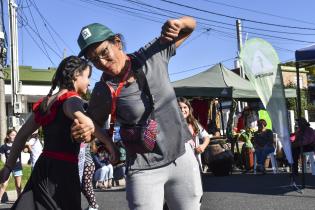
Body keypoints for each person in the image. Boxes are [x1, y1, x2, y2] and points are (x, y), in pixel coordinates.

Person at [73, 16, 202, 210]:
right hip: (143, 168)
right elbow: (92, 125)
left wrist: (179, 23)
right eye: (93, 60)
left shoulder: (151, 55)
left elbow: (190, 27)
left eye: (104, 52)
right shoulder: (102, 90)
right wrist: (106, 143)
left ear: (117, 42)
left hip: (181, 156)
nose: (101, 62)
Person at [0, 56, 117, 210]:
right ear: (76, 75)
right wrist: (109, 143)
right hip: (63, 174)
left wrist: (8, 167)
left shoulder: (46, 103)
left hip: (42, 169)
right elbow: (88, 123)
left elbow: (21, 135)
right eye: (87, 76)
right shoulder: (71, 100)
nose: (89, 82)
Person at [177, 97, 211, 168]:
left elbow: (206, 137)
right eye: (179, 108)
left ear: (189, 109)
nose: (182, 110)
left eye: (185, 107)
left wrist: (203, 146)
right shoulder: (171, 124)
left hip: (194, 162)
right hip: (179, 163)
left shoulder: (194, 123)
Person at [0, 129, 22, 203]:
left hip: (17, 167)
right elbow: (2, 158)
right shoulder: (3, 147)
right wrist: (6, 165)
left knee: (18, 185)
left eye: (16, 135)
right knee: (4, 184)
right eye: (12, 135)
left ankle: (19, 200)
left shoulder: (18, 145)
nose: (14, 136)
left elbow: (25, 149)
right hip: (8, 167)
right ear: (8, 136)